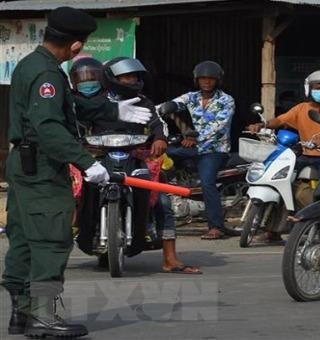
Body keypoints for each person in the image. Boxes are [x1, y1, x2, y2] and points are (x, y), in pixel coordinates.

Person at [2, 7, 152, 338]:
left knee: (24, 238)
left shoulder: (33, 65)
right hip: (42, 168)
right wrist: (87, 163)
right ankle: (42, 316)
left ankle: (21, 313)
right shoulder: (48, 75)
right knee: (50, 240)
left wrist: (114, 109)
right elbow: (49, 127)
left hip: (23, 165)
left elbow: (67, 105)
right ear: (75, 47)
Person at [76, 57, 168, 258]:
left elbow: (157, 123)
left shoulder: (143, 101)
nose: (132, 80)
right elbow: (79, 121)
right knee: (81, 188)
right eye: (126, 76)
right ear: (111, 77)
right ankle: (81, 230)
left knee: (161, 200)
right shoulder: (96, 101)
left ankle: (152, 231)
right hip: (99, 155)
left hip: (133, 155)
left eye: (135, 76)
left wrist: (160, 138)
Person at [247, 70, 320, 243]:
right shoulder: (301, 108)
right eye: (317, 88)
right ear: (309, 89)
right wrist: (262, 124)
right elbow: (280, 120)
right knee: (279, 182)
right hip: (304, 154)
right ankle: (273, 231)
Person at [166, 61, 235, 240]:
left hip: (214, 151)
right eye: (203, 78)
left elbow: (218, 126)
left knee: (207, 183)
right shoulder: (192, 97)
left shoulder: (226, 100)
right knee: (160, 155)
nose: (206, 82)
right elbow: (173, 104)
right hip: (194, 148)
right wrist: (162, 109)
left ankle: (216, 227)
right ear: (197, 80)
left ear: (217, 80)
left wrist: (195, 138)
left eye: (210, 79)